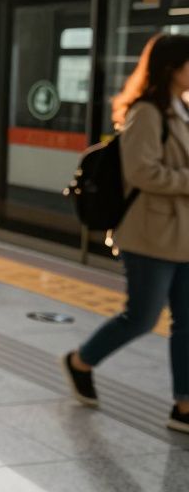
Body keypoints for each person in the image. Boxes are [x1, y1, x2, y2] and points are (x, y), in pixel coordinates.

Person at [63, 33, 189, 434]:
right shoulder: (147, 113)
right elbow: (142, 172)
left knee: (187, 321)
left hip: (182, 234)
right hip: (150, 233)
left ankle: (184, 405)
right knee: (142, 317)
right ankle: (80, 361)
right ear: (172, 67)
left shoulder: (183, 109)